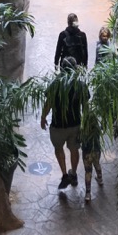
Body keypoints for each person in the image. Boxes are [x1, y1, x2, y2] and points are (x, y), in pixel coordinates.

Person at [40, 57, 87, 190]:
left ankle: (65, 174)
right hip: (75, 125)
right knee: (74, 149)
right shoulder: (80, 84)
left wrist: (43, 117)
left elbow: (48, 103)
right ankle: (74, 173)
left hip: (57, 126)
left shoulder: (55, 84)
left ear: (61, 69)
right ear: (75, 69)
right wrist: (86, 122)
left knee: (58, 149)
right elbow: (86, 106)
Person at [81, 114, 104, 203]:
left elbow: (78, 139)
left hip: (87, 153)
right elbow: (103, 126)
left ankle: (88, 194)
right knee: (97, 164)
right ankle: (100, 179)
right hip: (96, 151)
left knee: (88, 172)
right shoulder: (97, 129)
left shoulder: (83, 131)